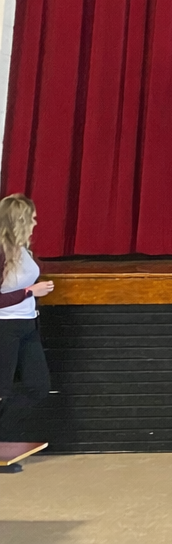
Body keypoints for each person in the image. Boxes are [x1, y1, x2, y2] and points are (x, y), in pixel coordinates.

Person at [0, 193, 54, 468]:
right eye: (31, 219)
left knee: (38, 386)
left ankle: (2, 439)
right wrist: (29, 291)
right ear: (19, 221)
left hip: (27, 325)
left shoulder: (23, 250)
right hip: (5, 327)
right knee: (3, 389)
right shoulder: (1, 252)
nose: (36, 223)